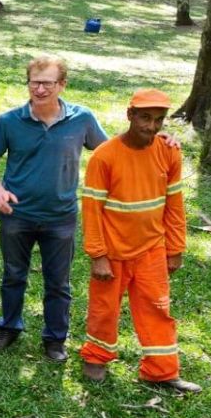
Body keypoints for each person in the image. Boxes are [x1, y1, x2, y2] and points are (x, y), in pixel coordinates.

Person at [0, 56, 107, 362]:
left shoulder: (82, 118)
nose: (39, 89)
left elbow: (112, 152)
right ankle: (8, 328)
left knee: (58, 282)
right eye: (34, 82)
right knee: (13, 275)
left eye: (47, 83)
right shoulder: (9, 121)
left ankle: (55, 339)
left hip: (60, 217)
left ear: (62, 85)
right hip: (17, 215)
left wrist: (157, 139)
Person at [79, 89, 199, 393]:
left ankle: (161, 371)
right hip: (112, 251)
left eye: (159, 120)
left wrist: (175, 249)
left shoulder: (169, 152)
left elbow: (174, 206)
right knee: (104, 308)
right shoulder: (104, 156)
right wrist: (98, 255)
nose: (151, 126)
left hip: (152, 249)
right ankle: (96, 357)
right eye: (145, 118)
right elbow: (92, 211)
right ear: (130, 115)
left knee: (157, 308)